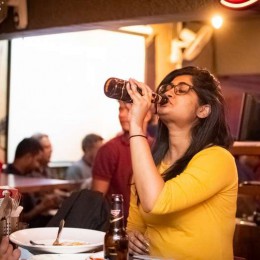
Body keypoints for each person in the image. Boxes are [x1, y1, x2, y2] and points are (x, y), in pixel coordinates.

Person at [125, 66, 238, 259]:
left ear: (203, 110)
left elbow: (157, 201)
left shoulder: (217, 159)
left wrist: (136, 125)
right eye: (166, 88)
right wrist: (130, 237)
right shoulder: (150, 167)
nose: (168, 92)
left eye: (182, 89)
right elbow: (134, 227)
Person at [91, 101, 152, 221]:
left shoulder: (158, 146)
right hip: (119, 228)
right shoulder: (109, 149)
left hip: (153, 227)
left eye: (128, 110)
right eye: (120, 109)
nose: (122, 115)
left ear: (148, 115)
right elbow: (96, 200)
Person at [3, 138, 61, 228]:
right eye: (37, 161)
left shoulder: (24, 177)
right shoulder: (8, 180)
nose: (38, 166)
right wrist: (40, 208)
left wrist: (44, 203)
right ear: (28, 157)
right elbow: (16, 220)